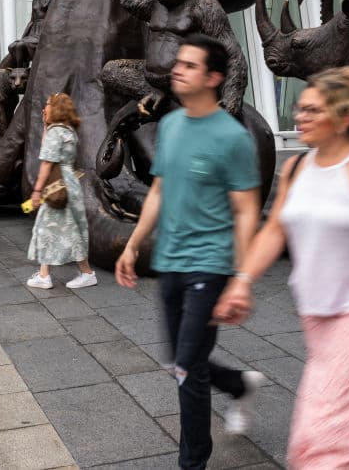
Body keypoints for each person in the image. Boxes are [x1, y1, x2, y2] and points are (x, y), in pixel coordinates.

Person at [213, 67, 349, 469]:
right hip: (316, 316)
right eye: (300, 109)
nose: (300, 117)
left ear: (346, 117)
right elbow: (274, 232)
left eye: (313, 110)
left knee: (317, 439)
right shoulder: (297, 169)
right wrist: (242, 281)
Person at [115, 33, 263, 470]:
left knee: (186, 368)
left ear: (213, 77)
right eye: (178, 63)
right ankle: (238, 385)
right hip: (170, 260)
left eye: (189, 65)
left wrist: (241, 279)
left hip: (212, 264)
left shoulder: (232, 137)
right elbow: (159, 190)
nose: (177, 69)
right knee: (177, 359)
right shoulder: (173, 124)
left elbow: (247, 211)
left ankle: (192, 463)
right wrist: (133, 243)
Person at [26, 92, 96, 290]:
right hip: (68, 184)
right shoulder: (67, 130)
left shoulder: (57, 132)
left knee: (48, 228)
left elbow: (47, 162)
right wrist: (46, 126)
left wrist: (37, 191)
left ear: (56, 108)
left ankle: (84, 273)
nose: (44, 108)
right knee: (65, 229)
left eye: (47, 104)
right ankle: (47, 274)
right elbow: (47, 149)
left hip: (58, 185)